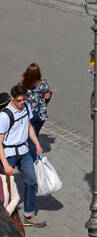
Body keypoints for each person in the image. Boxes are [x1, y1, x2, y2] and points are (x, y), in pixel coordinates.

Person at [0, 87, 45, 227]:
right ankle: (4, 219)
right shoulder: (4, 116)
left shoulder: (26, 106)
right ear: (13, 98)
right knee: (5, 190)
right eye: (19, 100)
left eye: (24, 99)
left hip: (24, 151)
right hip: (9, 154)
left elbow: (29, 127)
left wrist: (37, 144)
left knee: (31, 182)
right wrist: (6, 164)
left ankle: (29, 215)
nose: (22, 102)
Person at [20, 64, 51, 146]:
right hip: (41, 114)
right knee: (35, 133)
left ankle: (33, 150)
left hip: (28, 113)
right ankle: (35, 153)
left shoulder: (22, 83)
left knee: (30, 133)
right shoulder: (43, 83)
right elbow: (47, 96)